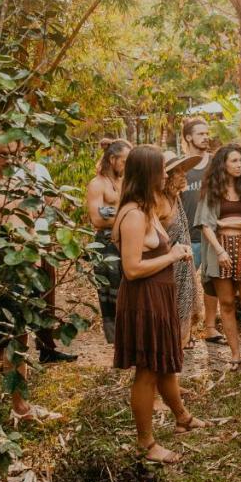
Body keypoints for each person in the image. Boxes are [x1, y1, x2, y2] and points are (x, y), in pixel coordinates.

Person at [112, 145, 209, 464]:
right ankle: (146, 444)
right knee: (147, 372)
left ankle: (182, 417)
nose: (167, 174)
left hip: (160, 294)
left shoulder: (148, 208)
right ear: (147, 173)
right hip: (145, 298)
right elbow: (132, 268)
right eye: (162, 170)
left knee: (165, 362)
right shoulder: (133, 215)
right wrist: (171, 255)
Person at [0, 138, 61, 430]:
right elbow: (22, 215)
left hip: (24, 270)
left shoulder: (20, 181)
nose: (13, 160)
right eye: (5, 154)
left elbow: (45, 209)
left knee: (20, 340)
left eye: (19, 153)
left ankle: (20, 407)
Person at [195, 144, 241, 368]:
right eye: (233, 161)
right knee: (225, 303)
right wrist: (220, 251)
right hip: (221, 251)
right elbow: (206, 224)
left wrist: (231, 222)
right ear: (222, 164)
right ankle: (235, 355)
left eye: (240, 161)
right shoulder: (212, 191)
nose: (238, 165)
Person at [15, 150, 76, 364]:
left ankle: (47, 348)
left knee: (46, 295)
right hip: (16, 243)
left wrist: (45, 214)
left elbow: (54, 201)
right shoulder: (6, 175)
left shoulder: (39, 169)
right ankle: (13, 355)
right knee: (20, 297)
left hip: (42, 239)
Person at [179, 117, 224, 342]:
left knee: (212, 282)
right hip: (187, 236)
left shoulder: (215, 164)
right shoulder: (181, 166)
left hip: (212, 234)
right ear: (188, 137)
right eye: (200, 134)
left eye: (207, 133)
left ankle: (210, 328)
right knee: (184, 285)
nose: (206, 137)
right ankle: (183, 332)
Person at [158, 151, 206, 348]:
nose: (185, 175)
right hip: (167, 267)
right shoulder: (157, 202)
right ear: (167, 176)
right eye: (179, 171)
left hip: (184, 264)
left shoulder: (176, 197)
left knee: (184, 308)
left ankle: (181, 343)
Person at [86, 139, 131, 344]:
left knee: (130, 290)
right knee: (111, 295)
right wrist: (127, 216)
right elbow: (97, 218)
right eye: (124, 160)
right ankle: (117, 342)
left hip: (128, 240)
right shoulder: (97, 184)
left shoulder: (126, 181)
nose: (127, 165)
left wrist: (115, 214)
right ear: (112, 159)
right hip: (106, 245)